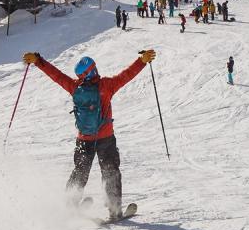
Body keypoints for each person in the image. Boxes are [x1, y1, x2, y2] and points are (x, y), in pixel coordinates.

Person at [20, 49, 156, 220]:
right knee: (110, 171)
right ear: (94, 70)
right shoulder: (107, 86)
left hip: (84, 139)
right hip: (105, 138)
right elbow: (126, 75)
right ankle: (114, 210)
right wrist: (142, 61)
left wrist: (38, 61)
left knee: (79, 172)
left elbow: (57, 76)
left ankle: (69, 206)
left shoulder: (75, 87)